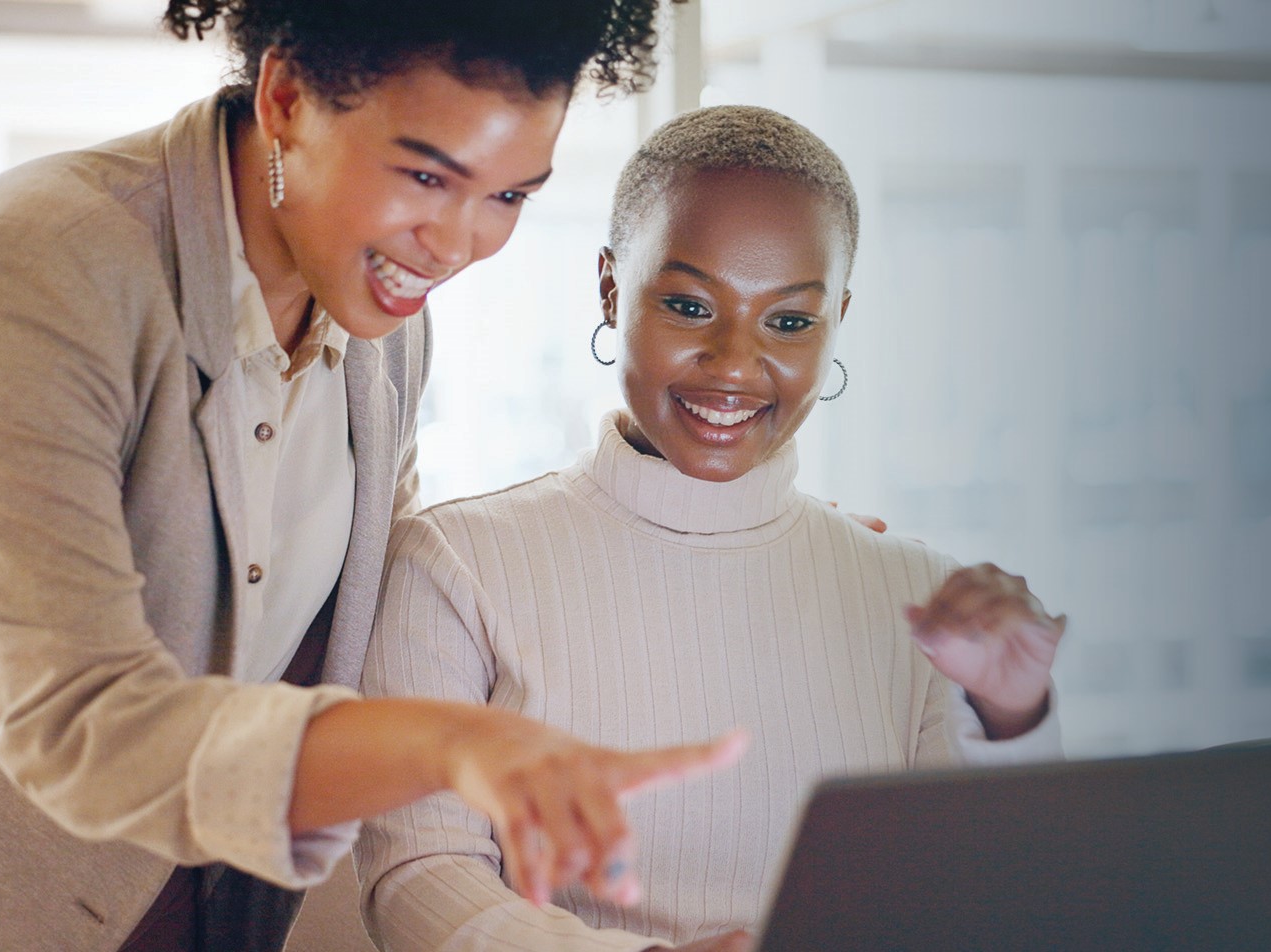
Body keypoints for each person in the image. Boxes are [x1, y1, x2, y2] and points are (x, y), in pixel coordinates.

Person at [0, 3, 747, 950]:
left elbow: (381, 589)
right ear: (286, 99)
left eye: (508, 196)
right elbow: (80, 719)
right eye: (424, 173)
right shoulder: (29, 271)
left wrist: (718, 524)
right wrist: (450, 745)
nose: (456, 243)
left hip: (147, 897)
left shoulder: (385, 328)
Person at [354, 105, 1068, 952]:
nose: (734, 363)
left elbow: (989, 902)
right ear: (613, 289)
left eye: (790, 321)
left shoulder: (911, 593)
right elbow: (417, 873)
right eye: (690, 306)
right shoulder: (458, 563)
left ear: (838, 317)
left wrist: (1014, 719)